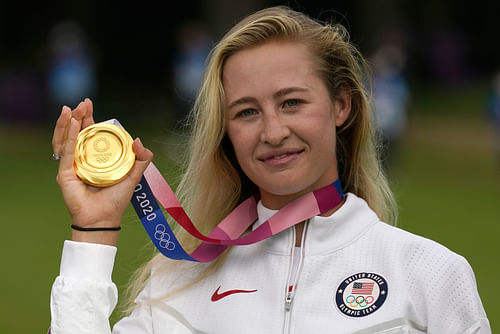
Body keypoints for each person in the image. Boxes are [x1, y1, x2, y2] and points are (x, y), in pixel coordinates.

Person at [49, 6, 490, 334]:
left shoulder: (428, 273)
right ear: (225, 132)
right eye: (246, 112)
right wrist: (94, 229)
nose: (273, 131)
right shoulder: (177, 284)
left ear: (342, 105)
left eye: (292, 102)